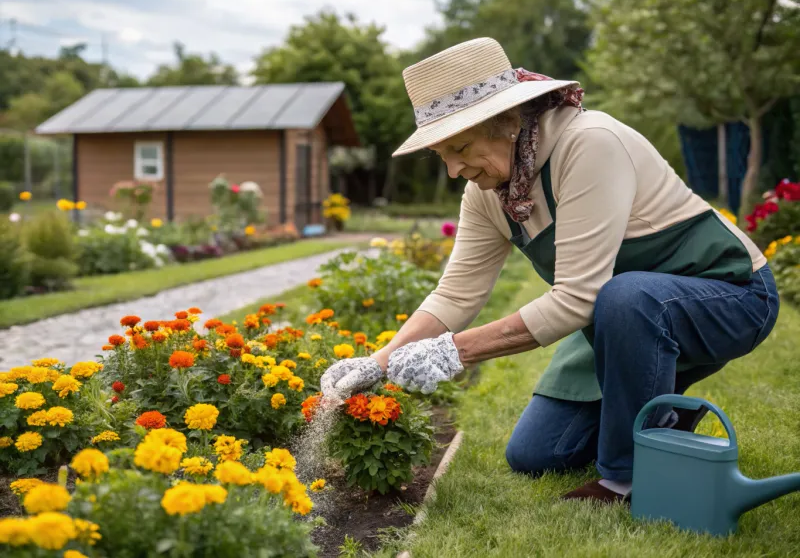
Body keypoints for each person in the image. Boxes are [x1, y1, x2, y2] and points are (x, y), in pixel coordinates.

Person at [320, 38, 779, 503]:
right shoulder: (488, 190)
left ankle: (628, 478)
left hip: (728, 294)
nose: (455, 170)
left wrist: (452, 352)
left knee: (626, 298)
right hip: (622, 319)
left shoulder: (589, 144)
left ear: (506, 122)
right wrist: (376, 364)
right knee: (536, 453)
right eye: (443, 155)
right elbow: (455, 295)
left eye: (460, 148)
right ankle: (664, 417)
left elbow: (579, 298)